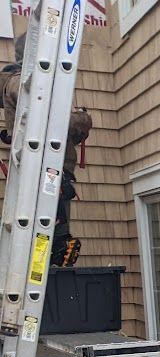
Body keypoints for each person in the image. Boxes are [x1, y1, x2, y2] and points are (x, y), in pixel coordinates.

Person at [0, 31, 92, 266]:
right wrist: (81, 119)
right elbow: (48, 119)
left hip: (50, 167)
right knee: (53, 217)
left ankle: (51, 256)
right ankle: (55, 251)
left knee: (50, 218)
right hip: (49, 166)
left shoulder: (23, 84)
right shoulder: (24, 83)